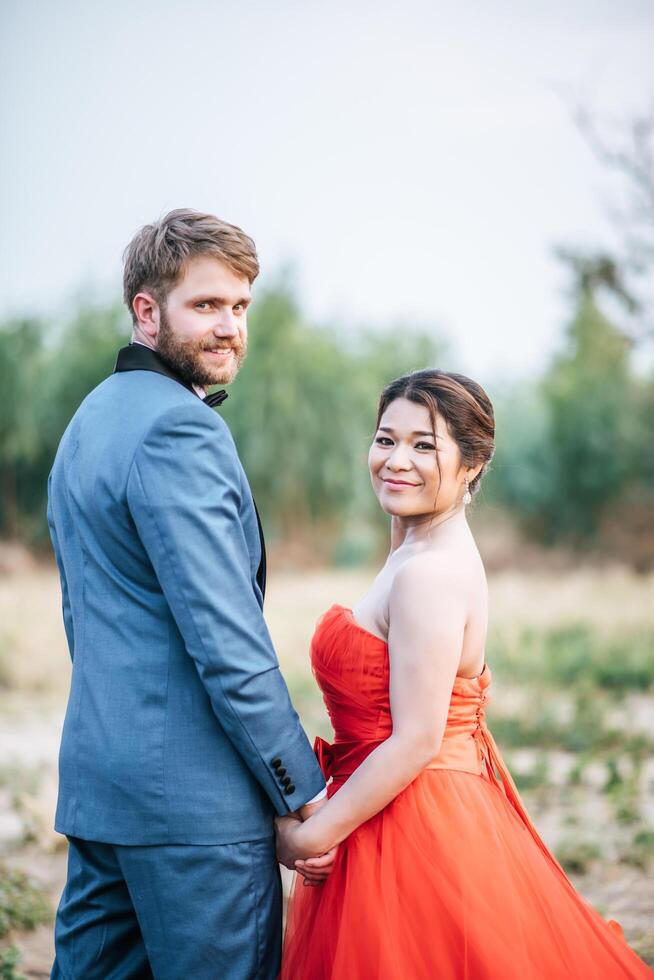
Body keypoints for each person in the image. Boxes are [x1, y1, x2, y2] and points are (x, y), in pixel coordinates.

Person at [276, 369, 652, 979]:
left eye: (425, 445)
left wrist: (310, 840)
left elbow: (417, 738)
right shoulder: (420, 548)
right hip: (396, 801)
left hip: (409, 822)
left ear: (473, 464)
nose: (396, 460)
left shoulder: (430, 573)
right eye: (385, 439)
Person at [47, 208, 333, 980]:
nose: (230, 327)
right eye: (206, 305)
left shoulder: (89, 421)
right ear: (147, 311)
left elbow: (87, 617)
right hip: (193, 816)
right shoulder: (180, 431)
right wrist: (299, 790)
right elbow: (226, 640)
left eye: (240, 307)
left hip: (104, 795)